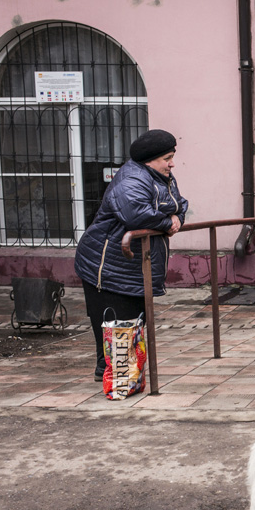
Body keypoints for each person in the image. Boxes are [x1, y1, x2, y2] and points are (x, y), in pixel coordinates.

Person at [74, 129, 189, 382]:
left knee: (132, 324)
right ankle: (116, 380)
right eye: (167, 158)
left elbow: (180, 204)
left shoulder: (159, 176)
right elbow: (136, 215)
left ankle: (120, 377)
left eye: (172, 157)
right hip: (108, 266)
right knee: (117, 325)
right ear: (150, 160)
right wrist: (168, 221)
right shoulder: (131, 180)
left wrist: (175, 218)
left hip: (133, 266)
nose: (172, 163)